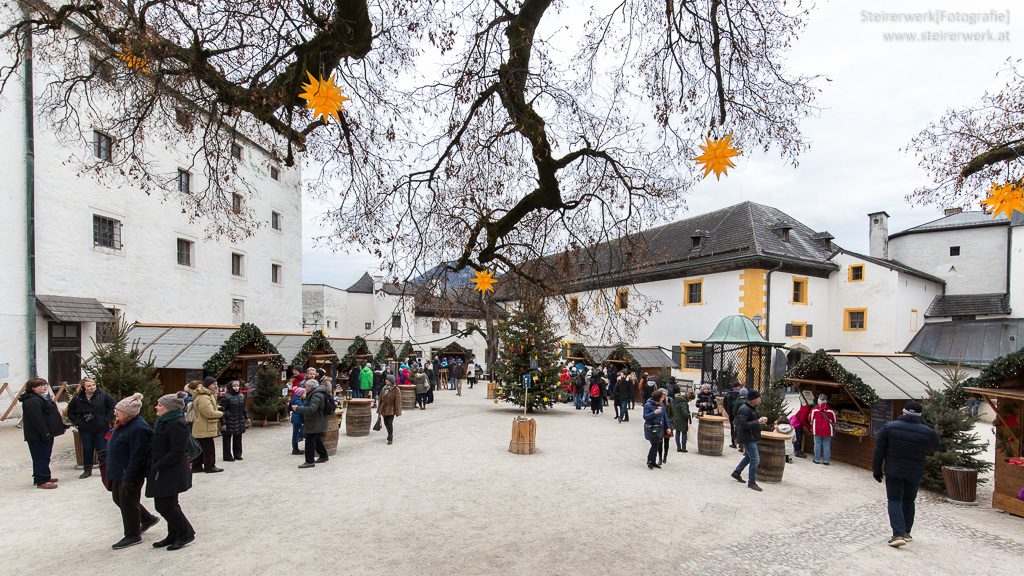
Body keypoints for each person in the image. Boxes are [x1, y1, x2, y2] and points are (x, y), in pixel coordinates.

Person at [872, 401, 940, 548]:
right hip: (914, 472)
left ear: (903, 412)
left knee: (894, 500)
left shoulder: (889, 427)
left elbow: (879, 451)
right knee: (909, 501)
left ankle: (897, 534)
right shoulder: (927, 431)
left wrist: (876, 470)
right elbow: (934, 447)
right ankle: (906, 532)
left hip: (894, 471)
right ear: (920, 415)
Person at [106, 393, 159, 549]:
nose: (115, 413)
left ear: (129, 413)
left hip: (129, 473)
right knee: (119, 499)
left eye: (119, 410)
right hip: (118, 470)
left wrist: (129, 477)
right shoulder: (123, 423)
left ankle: (132, 535)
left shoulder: (139, 428)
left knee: (128, 502)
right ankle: (147, 518)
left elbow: (138, 456)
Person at [147, 391, 196, 551]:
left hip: (172, 470)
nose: (156, 407)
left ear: (169, 408)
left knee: (165, 505)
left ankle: (186, 533)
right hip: (164, 468)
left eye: (160, 405)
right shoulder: (164, 421)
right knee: (168, 504)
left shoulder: (177, 423)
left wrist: (159, 464)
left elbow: (178, 451)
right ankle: (173, 533)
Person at [19, 377, 66, 489]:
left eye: (45, 384)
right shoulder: (32, 400)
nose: (45, 387)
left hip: (46, 433)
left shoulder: (41, 398)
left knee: (44, 456)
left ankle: (42, 476)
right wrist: (45, 434)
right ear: (33, 388)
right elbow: (37, 419)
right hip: (38, 435)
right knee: (41, 457)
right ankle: (42, 480)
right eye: (41, 385)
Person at [66, 377, 115, 479]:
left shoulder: (103, 395)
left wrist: (107, 419)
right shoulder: (77, 398)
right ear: (83, 387)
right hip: (85, 428)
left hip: (101, 427)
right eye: (89, 386)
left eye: (93, 385)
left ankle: (104, 470)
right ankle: (87, 470)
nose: (92, 387)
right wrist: (78, 422)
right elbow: (70, 412)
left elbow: (112, 406)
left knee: (102, 449)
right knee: (87, 448)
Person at [731, 389, 767, 491]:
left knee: (748, 456)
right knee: (755, 459)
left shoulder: (752, 407)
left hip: (751, 436)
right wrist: (757, 422)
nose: (760, 399)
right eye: (758, 397)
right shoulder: (744, 409)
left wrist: (760, 421)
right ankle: (751, 482)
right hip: (747, 437)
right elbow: (742, 425)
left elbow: (752, 421)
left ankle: (736, 473)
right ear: (752, 399)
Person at [190, 377, 224, 473]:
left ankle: (197, 466)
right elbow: (208, 412)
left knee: (200, 447)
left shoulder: (207, 395)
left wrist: (217, 408)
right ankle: (210, 466)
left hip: (203, 426)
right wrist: (221, 413)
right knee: (208, 448)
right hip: (204, 426)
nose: (216, 386)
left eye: (216, 384)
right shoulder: (204, 396)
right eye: (214, 384)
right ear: (208, 385)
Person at [294, 376, 330, 468]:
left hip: (316, 421)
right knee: (317, 439)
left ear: (311, 387)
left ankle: (309, 461)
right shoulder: (317, 393)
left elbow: (311, 409)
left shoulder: (316, 394)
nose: (305, 388)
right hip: (317, 420)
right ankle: (323, 456)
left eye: (306, 387)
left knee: (309, 441)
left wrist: (298, 408)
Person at [219, 380, 249, 462]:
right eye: (234, 386)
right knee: (227, 439)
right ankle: (227, 456)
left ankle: (237, 454)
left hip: (239, 419)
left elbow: (244, 408)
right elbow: (222, 410)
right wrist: (223, 423)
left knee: (238, 438)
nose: (236, 388)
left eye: (238, 386)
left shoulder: (241, 396)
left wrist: (247, 417)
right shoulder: (226, 397)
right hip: (229, 420)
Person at [643, 389, 671, 469]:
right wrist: (654, 413)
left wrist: (667, 427)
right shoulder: (648, 405)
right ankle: (650, 461)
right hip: (651, 428)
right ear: (657, 398)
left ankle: (653, 461)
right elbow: (645, 417)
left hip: (660, 428)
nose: (663, 398)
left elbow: (665, 416)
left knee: (656, 445)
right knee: (655, 445)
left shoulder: (661, 404)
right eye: (662, 397)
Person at [810, 393, 837, 465]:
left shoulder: (814, 410)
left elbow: (810, 419)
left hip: (817, 430)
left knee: (817, 444)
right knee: (827, 445)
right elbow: (834, 420)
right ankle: (826, 461)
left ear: (818, 400)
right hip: (828, 431)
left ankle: (817, 460)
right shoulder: (831, 411)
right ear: (826, 401)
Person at [377, 373, 403, 444]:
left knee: (389, 423)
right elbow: (380, 399)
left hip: (391, 409)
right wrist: (379, 409)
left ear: (391, 381)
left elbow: (398, 401)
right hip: (384, 408)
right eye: (386, 379)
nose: (385, 380)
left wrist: (397, 411)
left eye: (387, 379)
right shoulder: (384, 388)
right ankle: (389, 433)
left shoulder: (396, 389)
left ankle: (390, 437)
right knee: (385, 423)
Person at [789, 392, 813, 458]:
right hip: (797, 424)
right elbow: (802, 420)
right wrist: (809, 427)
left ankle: (797, 451)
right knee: (798, 438)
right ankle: (797, 451)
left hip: (796, 423)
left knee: (798, 438)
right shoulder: (806, 407)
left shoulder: (805, 406)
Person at [656, 388, 673, 465]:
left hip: (668, 425)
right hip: (659, 425)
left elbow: (673, 414)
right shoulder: (657, 403)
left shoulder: (669, 402)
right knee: (659, 442)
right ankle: (659, 458)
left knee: (666, 442)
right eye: (662, 395)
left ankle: (665, 456)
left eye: (665, 395)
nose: (663, 397)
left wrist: (670, 424)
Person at [724, 383, 741, 449]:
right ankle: (740, 444)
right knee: (740, 428)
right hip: (740, 414)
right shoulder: (741, 394)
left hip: (731, 414)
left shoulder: (728, 394)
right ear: (738, 386)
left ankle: (734, 443)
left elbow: (724, 404)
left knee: (732, 427)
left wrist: (728, 412)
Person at [289, 387, 306, 455]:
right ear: (300, 394)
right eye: (304, 393)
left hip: (296, 419)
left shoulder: (296, 399)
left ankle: (295, 449)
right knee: (296, 434)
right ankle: (295, 450)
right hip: (297, 419)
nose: (305, 394)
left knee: (295, 434)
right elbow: (303, 409)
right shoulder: (297, 401)